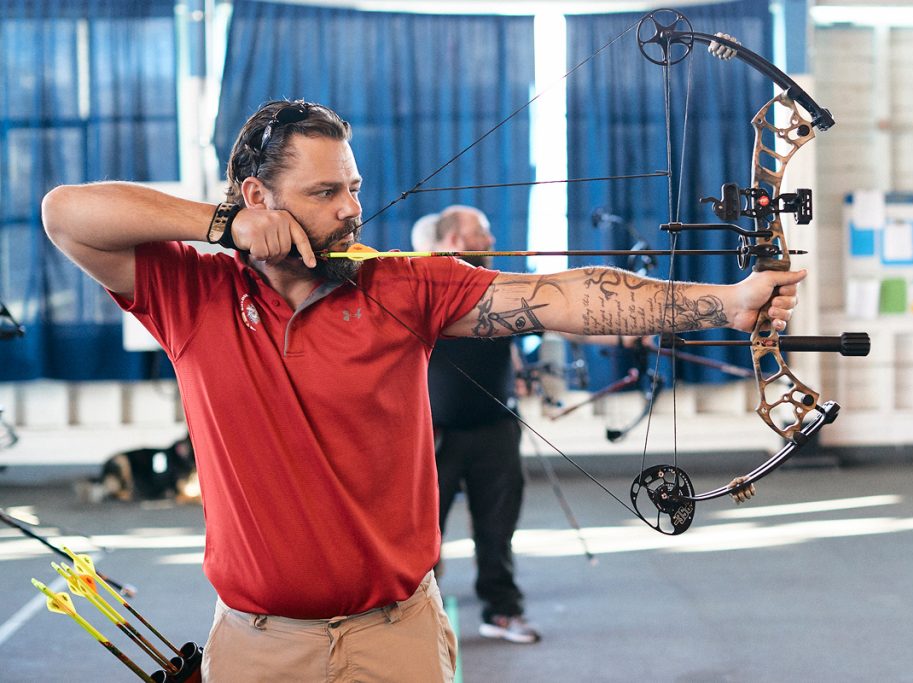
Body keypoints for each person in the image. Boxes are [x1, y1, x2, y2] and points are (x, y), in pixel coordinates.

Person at [41, 99, 805, 682]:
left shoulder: (402, 286)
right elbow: (66, 214)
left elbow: (565, 295)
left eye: (354, 188)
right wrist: (220, 225)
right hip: (257, 643)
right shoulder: (192, 295)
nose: (351, 209)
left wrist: (726, 303)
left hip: (394, 636)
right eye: (324, 192)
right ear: (258, 197)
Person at [413, 206, 538, 644]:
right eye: (479, 235)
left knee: (497, 530)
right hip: (436, 435)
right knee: (422, 536)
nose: (489, 241)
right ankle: (417, 620)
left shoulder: (501, 292)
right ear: (451, 243)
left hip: (496, 430)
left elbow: (560, 316)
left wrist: (627, 334)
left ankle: (502, 611)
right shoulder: (423, 292)